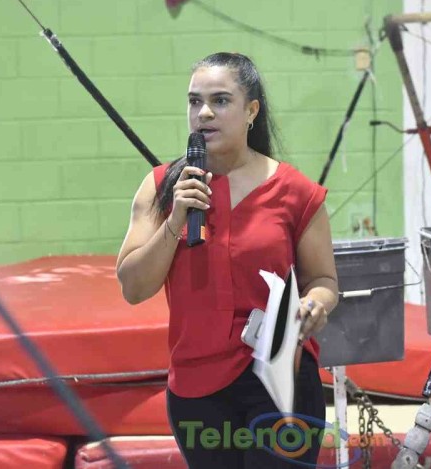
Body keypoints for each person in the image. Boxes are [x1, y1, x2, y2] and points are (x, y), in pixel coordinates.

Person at [116, 52, 339, 468]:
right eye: (194, 101)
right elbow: (133, 287)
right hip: (196, 386)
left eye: (220, 101)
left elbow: (324, 279)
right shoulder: (163, 187)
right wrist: (176, 218)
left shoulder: (296, 191)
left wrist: (315, 304)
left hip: (279, 377)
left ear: (251, 111)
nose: (203, 113)